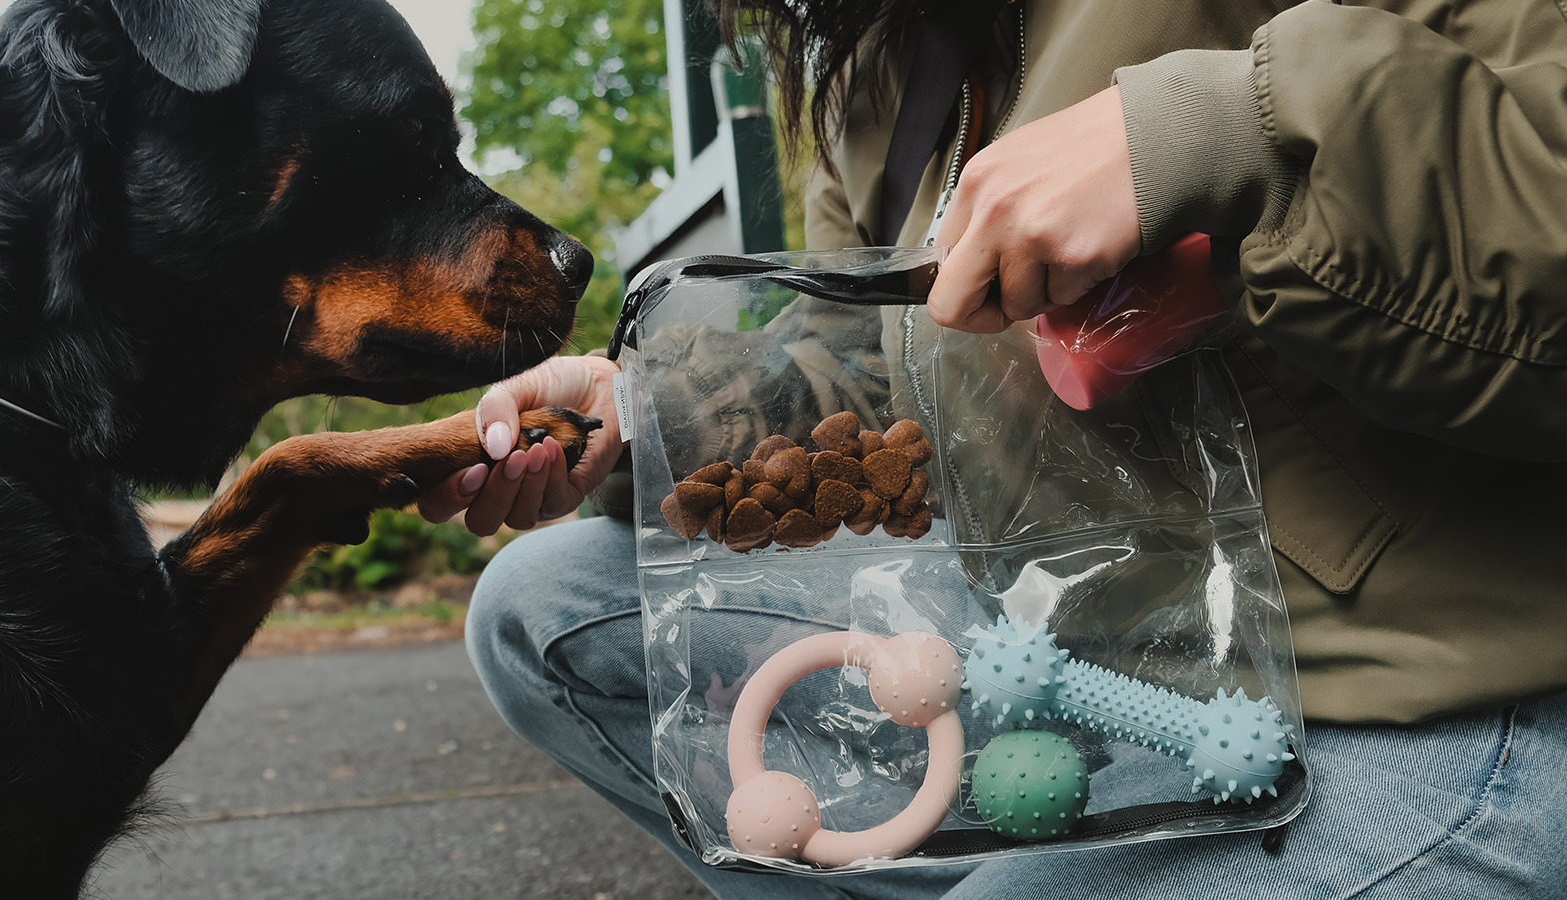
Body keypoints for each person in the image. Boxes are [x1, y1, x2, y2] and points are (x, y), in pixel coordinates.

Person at [420, 1, 1567, 896]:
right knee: (548, 604)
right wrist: (651, 425)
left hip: (1420, 694)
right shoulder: (868, 54)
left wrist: (1226, 134)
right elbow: (871, 369)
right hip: (1072, 651)